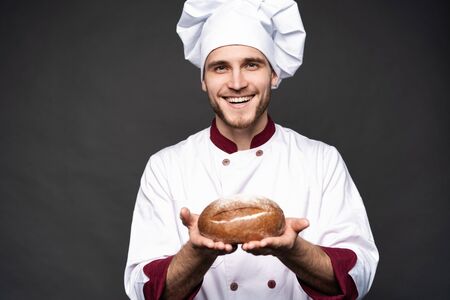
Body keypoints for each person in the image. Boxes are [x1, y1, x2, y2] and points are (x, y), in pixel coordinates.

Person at [124, 0, 379, 299]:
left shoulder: (322, 161)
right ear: (204, 80)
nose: (236, 82)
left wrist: (294, 250)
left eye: (251, 64)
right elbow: (143, 290)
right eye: (220, 68)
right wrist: (197, 253)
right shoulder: (165, 167)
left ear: (273, 74)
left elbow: (356, 277)